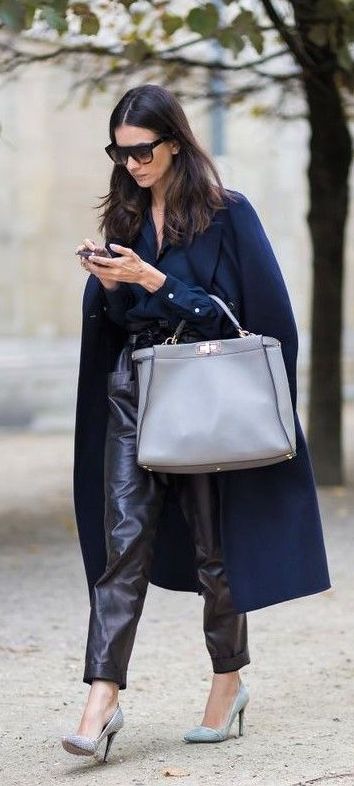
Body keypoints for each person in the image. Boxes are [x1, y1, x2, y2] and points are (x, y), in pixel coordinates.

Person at [62, 84, 331, 761]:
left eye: (142, 150)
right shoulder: (124, 214)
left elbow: (250, 317)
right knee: (122, 547)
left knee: (215, 552)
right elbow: (117, 323)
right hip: (134, 391)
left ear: (175, 142)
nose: (131, 164)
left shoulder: (226, 214)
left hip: (204, 392)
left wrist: (157, 283)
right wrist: (112, 285)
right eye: (119, 153)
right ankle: (101, 700)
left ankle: (227, 679)